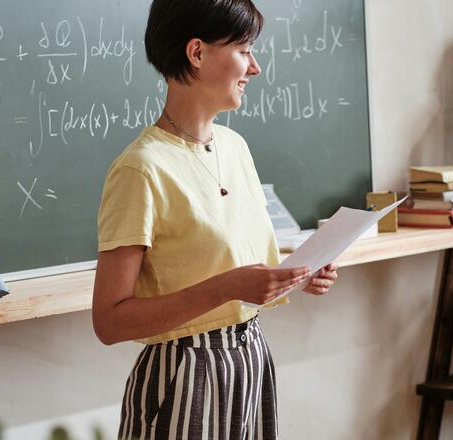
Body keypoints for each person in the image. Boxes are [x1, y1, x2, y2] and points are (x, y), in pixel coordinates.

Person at [91, 1, 338, 439]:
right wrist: (230, 287)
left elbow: (228, 259)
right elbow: (109, 321)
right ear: (197, 53)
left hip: (250, 361)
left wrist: (298, 271)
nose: (255, 68)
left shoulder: (235, 147)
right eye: (245, 50)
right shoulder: (140, 169)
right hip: (184, 376)